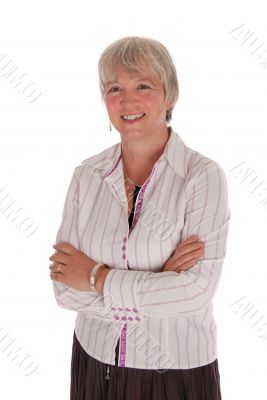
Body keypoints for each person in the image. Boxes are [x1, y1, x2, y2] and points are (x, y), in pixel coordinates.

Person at [49, 36, 231, 400]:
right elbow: (65, 289)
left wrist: (96, 276)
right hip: (94, 364)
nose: (127, 100)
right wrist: (160, 281)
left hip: (175, 373)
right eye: (115, 88)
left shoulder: (202, 176)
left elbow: (194, 293)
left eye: (143, 85)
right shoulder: (87, 176)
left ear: (170, 96)